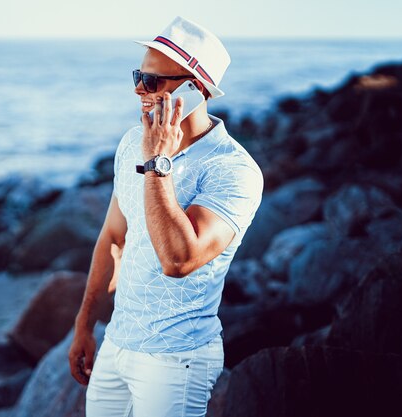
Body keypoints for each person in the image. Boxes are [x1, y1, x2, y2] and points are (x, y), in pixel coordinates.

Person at [68, 16, 264, 417]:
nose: (140, 89)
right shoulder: (131, 143)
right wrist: (85, 322)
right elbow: (113, 237)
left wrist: (158, 161)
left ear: (197, 88)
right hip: (118, 344)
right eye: (139, 75)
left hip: (177, 359)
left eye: (154, 81)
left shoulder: (234, 170)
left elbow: (179, 259)